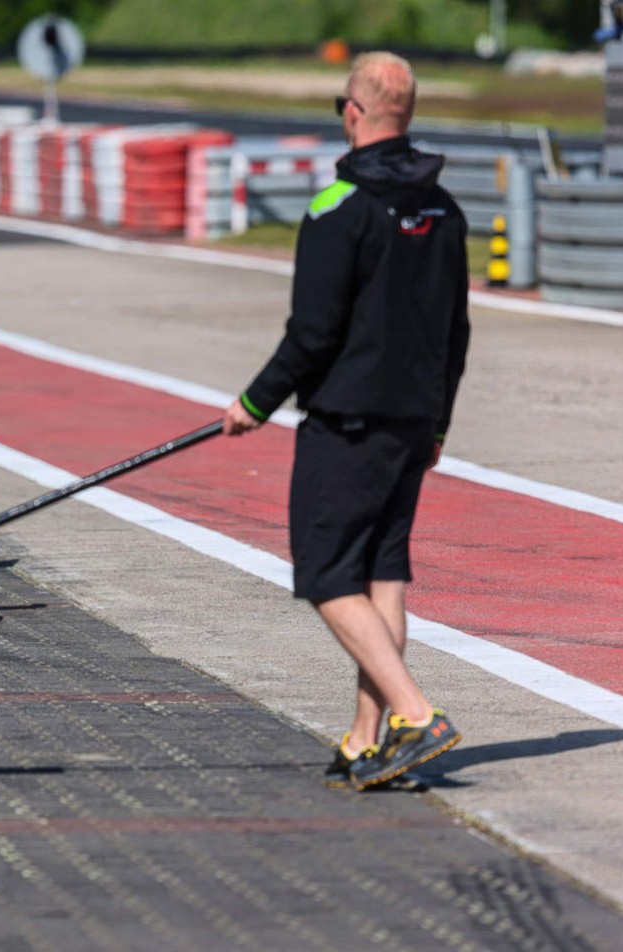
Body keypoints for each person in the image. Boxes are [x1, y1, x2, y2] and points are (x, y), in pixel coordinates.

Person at [222, 51, 471, 791]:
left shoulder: (338, 209)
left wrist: (254, 402)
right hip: (411, 421)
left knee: (326, 573)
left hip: (349, 422)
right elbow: (454, 333)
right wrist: (437, 429)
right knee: (381, 575)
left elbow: (312, 334)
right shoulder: (443, 209)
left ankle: (414, 714)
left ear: (352, 113)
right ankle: (367, 741)